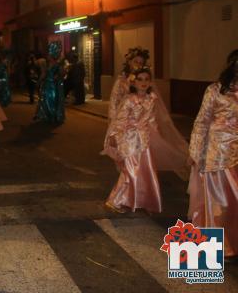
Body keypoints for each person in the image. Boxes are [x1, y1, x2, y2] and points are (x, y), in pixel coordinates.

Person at [102, 67, 188, 213]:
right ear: (134, 83)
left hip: (144, 140)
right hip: (128, 139)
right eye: (140, 79)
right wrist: (115, 137)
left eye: (146, 79)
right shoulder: (129, 99)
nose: (143, 82)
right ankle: (115, 200)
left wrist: (156, 135)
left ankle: (141, 200)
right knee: (129, 170)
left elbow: (152, 120)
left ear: (150, 82)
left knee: (145, 170)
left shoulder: (152, 99)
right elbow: (120, 120)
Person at [188, 49, 238, 258]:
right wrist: (195, 151)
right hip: (217, 153)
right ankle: (218, 247)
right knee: (220, 202)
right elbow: (201, 122)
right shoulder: (215, 90)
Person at [33, 42, 65, 125]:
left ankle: (52, 117)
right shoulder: (48, 64)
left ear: (51, 55)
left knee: (51, 101)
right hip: (47, 86)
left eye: (48, 54)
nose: (47, 56)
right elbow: (44, 74)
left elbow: (62, 74)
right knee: (45, 100)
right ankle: (47, 116)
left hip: (53, 87)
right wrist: (40, 82)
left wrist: (57, 76)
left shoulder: (57, 65)